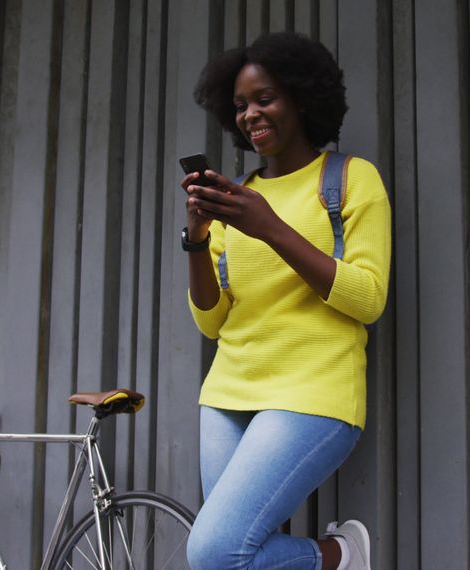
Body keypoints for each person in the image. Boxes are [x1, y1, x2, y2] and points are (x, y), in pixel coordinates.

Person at [180, 32, 391, 570]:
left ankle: (340, 555)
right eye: (240, 105)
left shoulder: (350, 179)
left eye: (265, 98)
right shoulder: (238, 197)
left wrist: (269, 227)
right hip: (228, 392)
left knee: (214, 554)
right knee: (244, 559)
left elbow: (367, 298)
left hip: (313, 390)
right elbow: (212, 322)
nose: (250, 113)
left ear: (301, 97)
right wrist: (198, 240)